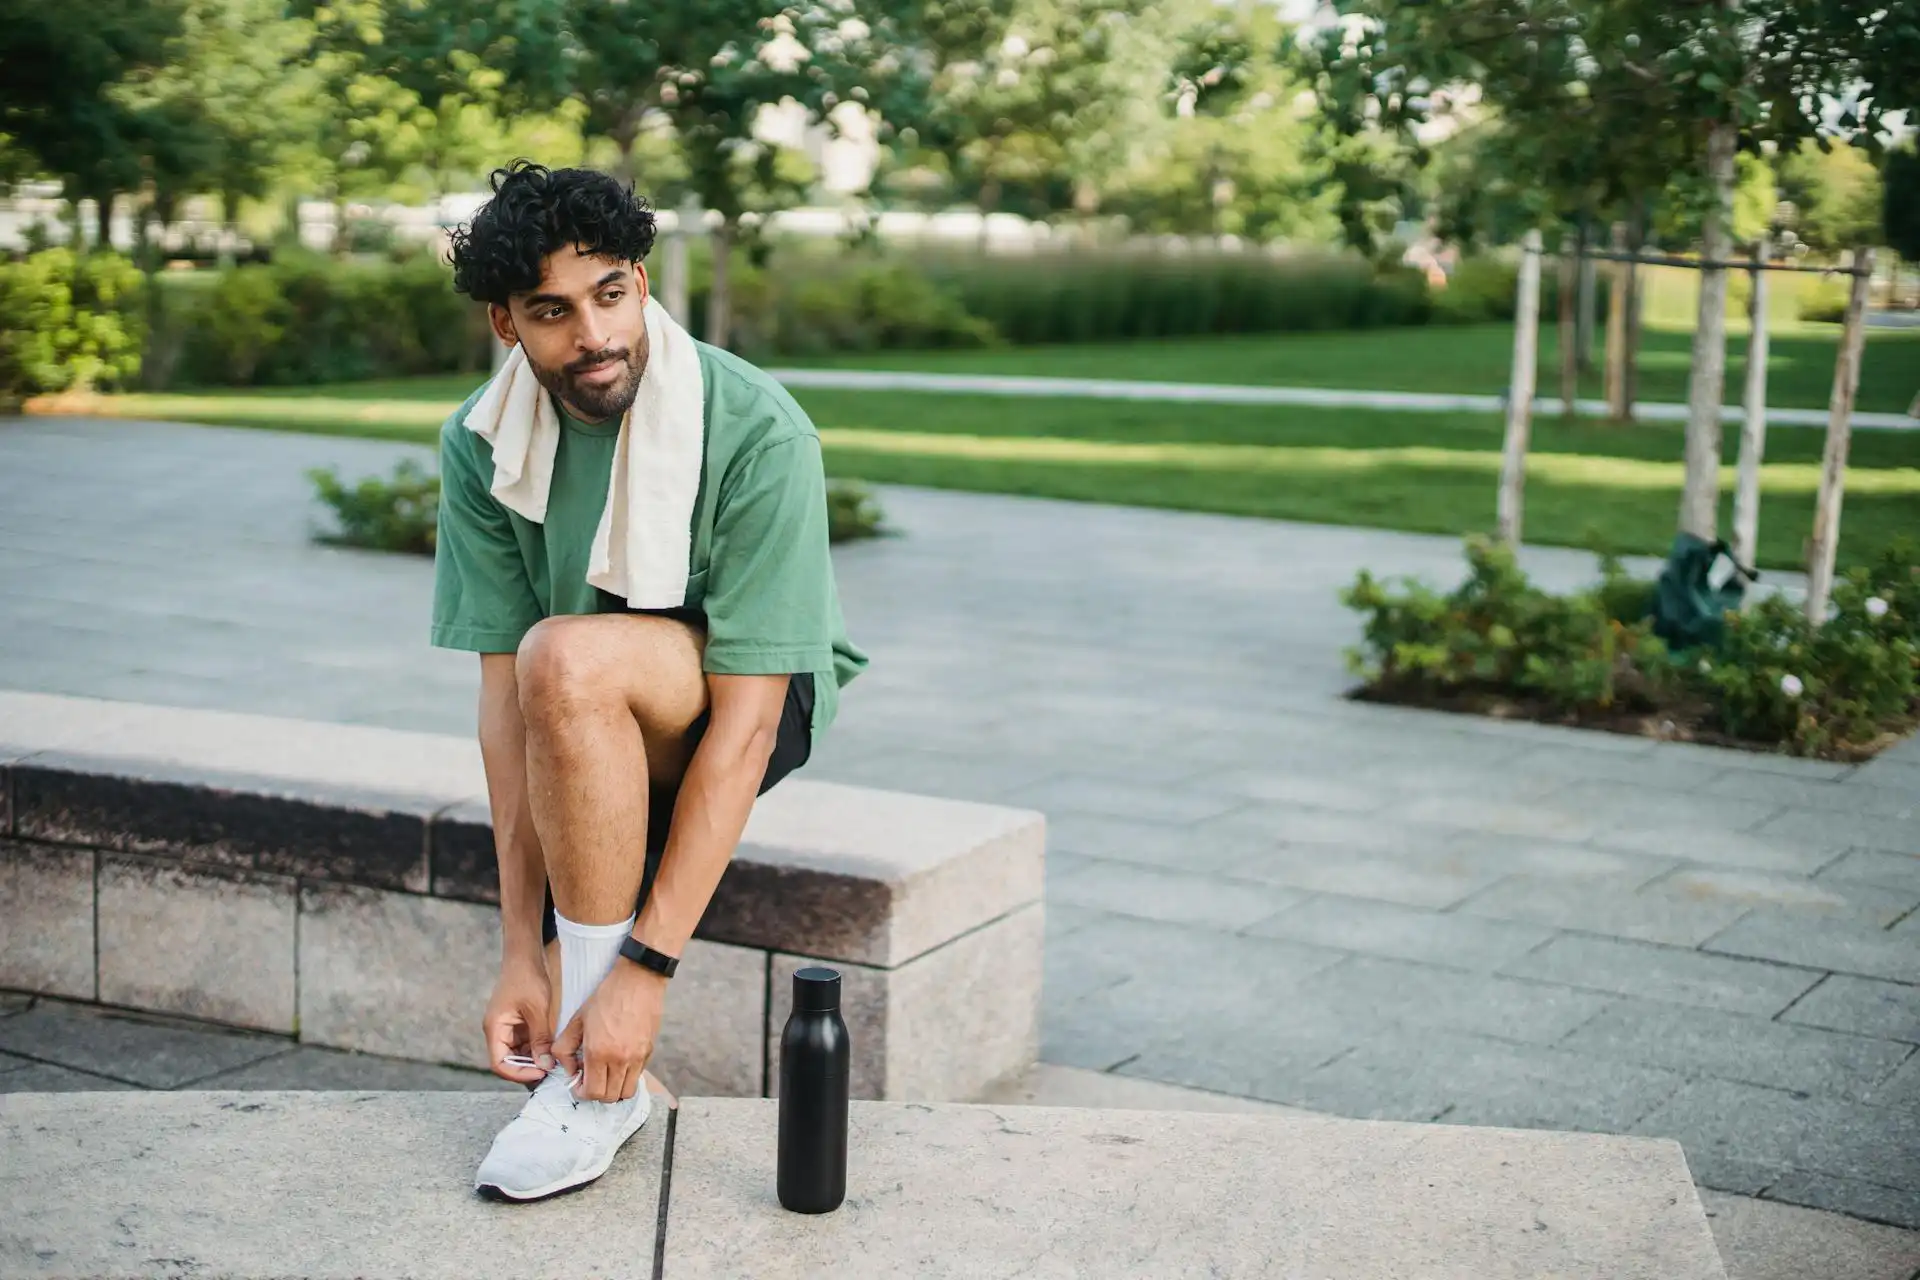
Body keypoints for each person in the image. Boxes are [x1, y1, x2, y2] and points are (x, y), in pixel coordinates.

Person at [430, 160, 867, 1201]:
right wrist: (518, 954)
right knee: (556, 664)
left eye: (612, 293)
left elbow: (752, 726)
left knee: (567, 652)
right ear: (506, 325)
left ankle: (604, 1072)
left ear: (640, 277)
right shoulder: (482, 444)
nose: (595, 334)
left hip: (743, 690)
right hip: (575, 701)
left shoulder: (758, 427)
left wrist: (644, 973)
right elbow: (507, 713)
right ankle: (607, 1081)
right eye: (552, 310)